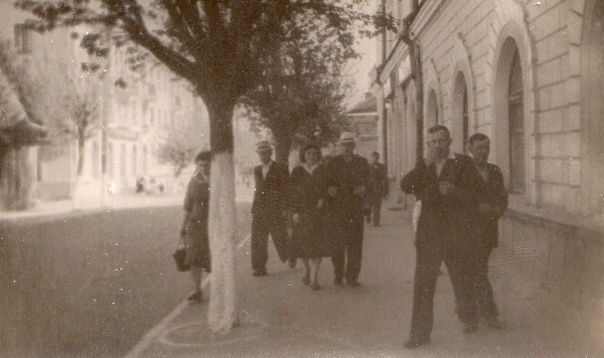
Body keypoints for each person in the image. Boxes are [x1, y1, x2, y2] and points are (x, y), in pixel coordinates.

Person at [400, 125, 482, 348]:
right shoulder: (424, 164)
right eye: (433, 142)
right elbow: (405, 185)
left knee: (461, 278)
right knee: (423, 284)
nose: (438, 145)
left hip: (457, 233)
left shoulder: (463, 163)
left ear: (450, 141)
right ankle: (419, 334)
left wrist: (456, 192)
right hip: (429, 234)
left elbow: (477, 196)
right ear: (428, 145)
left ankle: (469, 316)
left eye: (442, 141)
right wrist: (424, 165)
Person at [467, 133, 508, 329]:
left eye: (486, 147)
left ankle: (472, 312)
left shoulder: (495, 171)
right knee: (477, 271)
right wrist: (476, 208)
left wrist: (497, 209)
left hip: (488, 231)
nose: (483, 152)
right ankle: (486, 313)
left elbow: (503, 198)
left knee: (477, 271)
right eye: (479, 148)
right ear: (470, 150)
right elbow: (459, 200)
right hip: (467, 231)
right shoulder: (464, 172)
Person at [324, 132, 370, 287]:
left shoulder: (362, 162)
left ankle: (352, 277)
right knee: (338, 243)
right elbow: (326, 183)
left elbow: (370, 183)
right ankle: (338, 275)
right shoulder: (333, 163)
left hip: (355, 208)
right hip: (337, 208)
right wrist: (330, 190)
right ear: (340, 146)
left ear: (354, 146)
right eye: (344, 145)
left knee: (355, 243)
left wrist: (364, 189)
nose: (347, 148)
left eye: (350, 145)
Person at [289, 144, 333, 291]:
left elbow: (329, 189)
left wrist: (324, 199)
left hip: (317, 213)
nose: (312, 156)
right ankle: (307, 269)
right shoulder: (297, 171)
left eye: (314, 154)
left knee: (316, 246)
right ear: (304, 155)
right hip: (302, 213)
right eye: (308, 154)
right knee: (302, 246)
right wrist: (294, 212)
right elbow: (292, 193)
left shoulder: (323, 170)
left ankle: (314, 278)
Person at [250, 140, 289, 276]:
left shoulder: (280, 168)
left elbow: (286, 189)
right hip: (260, 209)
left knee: (280, 235)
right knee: (258, 239)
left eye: (265, 153)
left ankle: (289, 255)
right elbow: (258, 189)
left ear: (270, 153)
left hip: (275, 208)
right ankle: (259, 267)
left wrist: (284, 208)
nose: (263, 156)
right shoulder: (257, 170)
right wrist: (254, 207)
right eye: (260, 154)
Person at [180, 150, 212, 302]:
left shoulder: (216, 181)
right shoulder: (193, 182)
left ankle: (218, 289)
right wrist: (183, 226)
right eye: (201, 165)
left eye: (206, 165)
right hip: (194, 224)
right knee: (194, 258)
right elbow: (188, 205)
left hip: (211, 225)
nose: (203, 168)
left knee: (212, 257)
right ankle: (197, 290)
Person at [365, 151, 388, 226]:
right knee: (368, 205)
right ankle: (368, 216)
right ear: (371, 157)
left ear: (378, 158)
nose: (375, 159)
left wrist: (377, 169)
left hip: (378, 188)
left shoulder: (382, 166)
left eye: (377, 158)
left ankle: (376, 222)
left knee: (377, 206)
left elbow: (384, 176)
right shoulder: (367, 166)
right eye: (374, 157)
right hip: (369, 189)